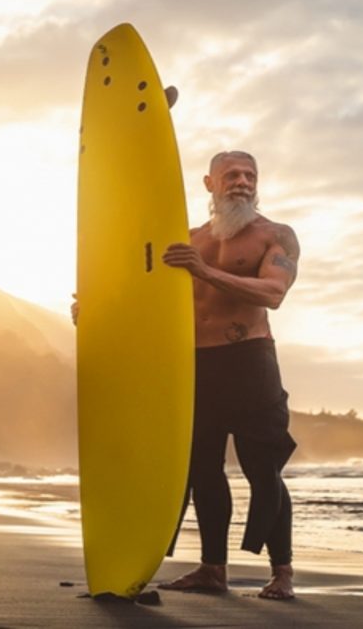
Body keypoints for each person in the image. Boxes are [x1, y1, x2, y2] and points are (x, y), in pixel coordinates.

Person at [157, 150, 300, 601]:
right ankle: (212, 569)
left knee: (264, 469)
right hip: (196, 365)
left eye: (249, 175)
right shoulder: (186, 238)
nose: (242, 181)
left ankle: (282, 573)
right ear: (209, 183)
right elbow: (144, 291)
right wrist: (94, 309)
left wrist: (204, 271)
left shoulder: (275, 235)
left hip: (249, 360)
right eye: (231, 175)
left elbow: (273, 293)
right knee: (202, 469)